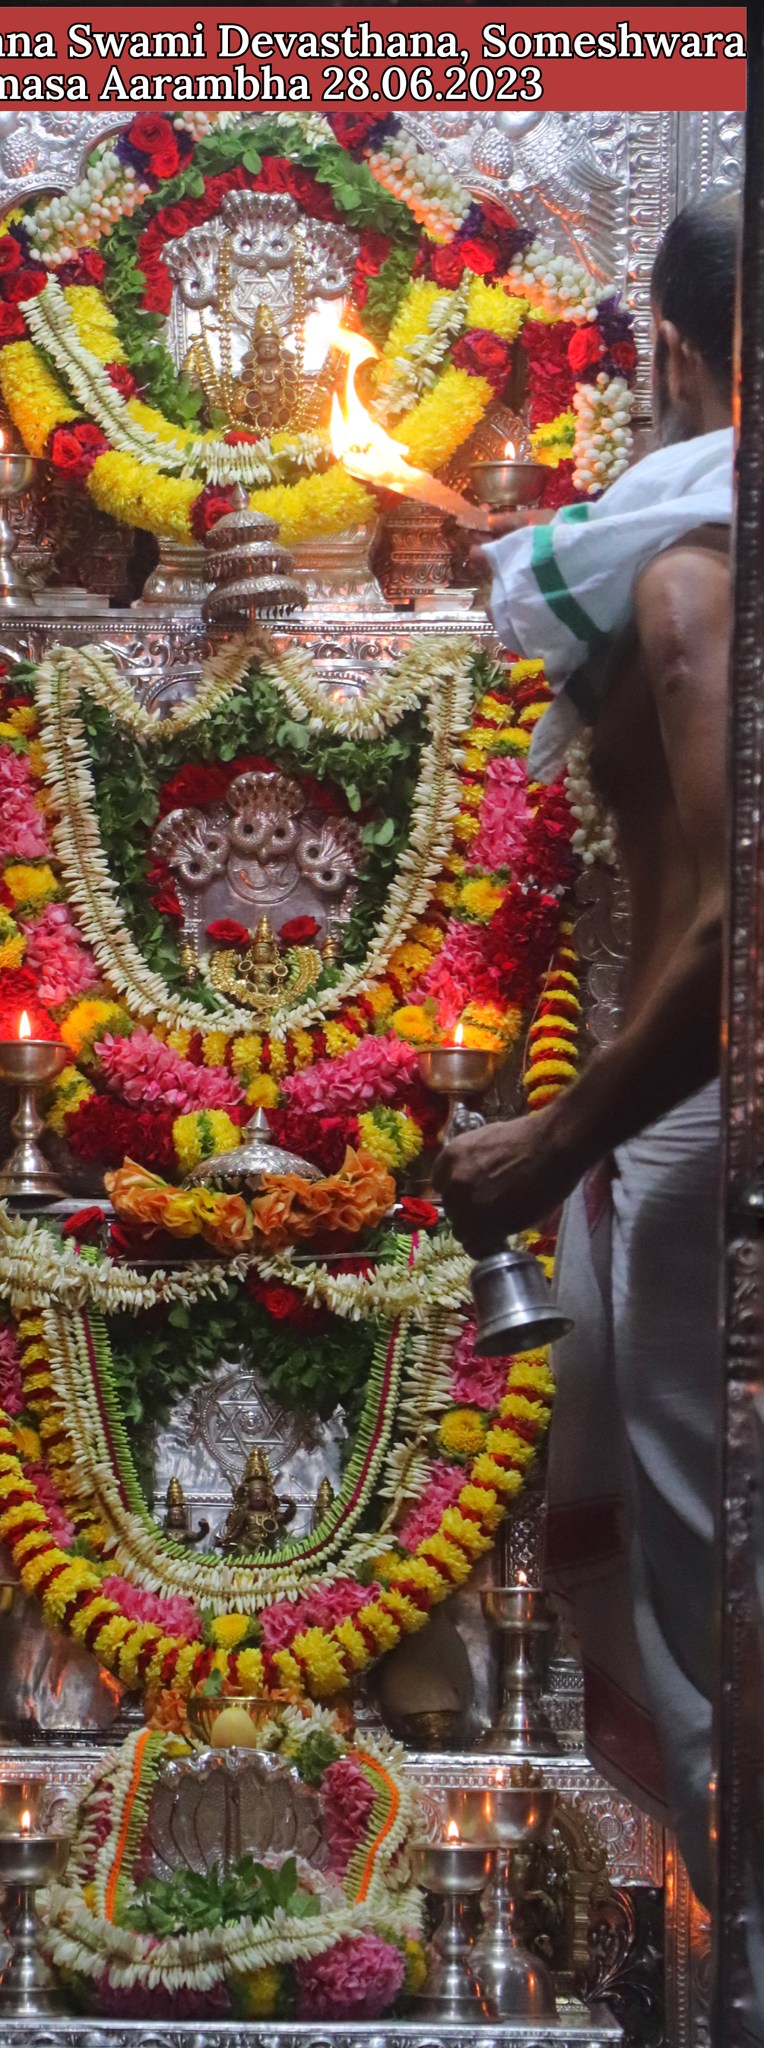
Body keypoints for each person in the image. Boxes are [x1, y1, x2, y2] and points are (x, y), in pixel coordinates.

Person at [435, 195, 738, 1911]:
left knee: (716, 1663)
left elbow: (735, 936)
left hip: (701, 1159)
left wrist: (552, 1144)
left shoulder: (691, 583)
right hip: (685, 1144)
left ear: (675, 352)